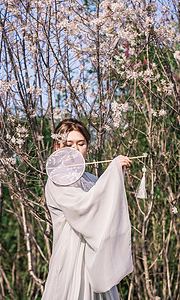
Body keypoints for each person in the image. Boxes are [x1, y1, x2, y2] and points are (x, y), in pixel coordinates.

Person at [42, 118, 133, 300]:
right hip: (70, 258)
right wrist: (112, 172)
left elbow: (106, 210)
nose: (75, 149)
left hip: (95, 257)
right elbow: (83, 208)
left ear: (87, 146)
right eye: (69, 144)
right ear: (58, 147)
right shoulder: (57, 180)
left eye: (81, 143)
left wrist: (114, 175)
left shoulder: (91, 179)